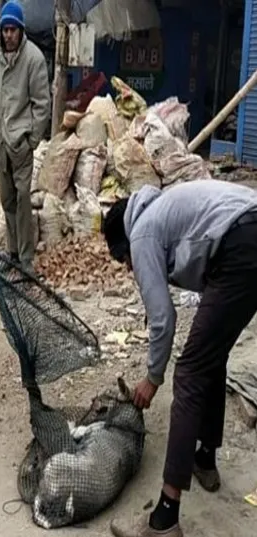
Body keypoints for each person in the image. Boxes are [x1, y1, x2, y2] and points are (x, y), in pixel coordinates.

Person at [100, 179, 257, 537]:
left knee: (187, 374)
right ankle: (204, 458)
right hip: (247, 236)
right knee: (209, 356)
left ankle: (164, 520)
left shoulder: (142, 234)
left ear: (124, 244)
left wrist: (153, 377)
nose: (129, 268)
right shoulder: (161, 211)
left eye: (124, 260)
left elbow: (163, 319)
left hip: (244, 242)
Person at [0, 2, 50, 274]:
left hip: (21, 144)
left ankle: (25, 261)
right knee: (7, 201)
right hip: (1, 142)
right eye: (5, 29)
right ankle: (12, 252)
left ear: (21, 30)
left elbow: (42, 104)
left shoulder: (33, 59)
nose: (8, 35)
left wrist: (32, 140)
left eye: (13, 29)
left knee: (23, 203)